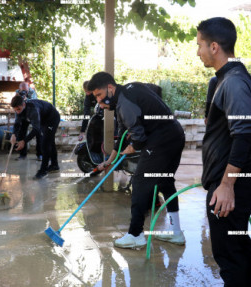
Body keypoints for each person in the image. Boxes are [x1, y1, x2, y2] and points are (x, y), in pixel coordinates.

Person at [87, 72, 186, 249]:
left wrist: (132, 147)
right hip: (175, 135)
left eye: (99, 96)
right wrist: (109, 160)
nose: (100, 103)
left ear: (110, 88)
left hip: (161, 141)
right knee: (165, 182)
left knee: (140, 182)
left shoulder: (124, 103)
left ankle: (135, 234)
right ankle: (176, 231)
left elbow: (138, 139)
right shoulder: (129, 91)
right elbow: (124, 134)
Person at [197, 17, 251, 286]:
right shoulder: (225, 79)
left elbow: (244, 133)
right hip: (226, 184)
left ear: (214, 46)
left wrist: (227, 185)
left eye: (200, 45)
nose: (198, 52)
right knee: (238, 249)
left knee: (230, 257)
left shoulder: (233, 82)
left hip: (229, 189)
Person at [10, 95, 61, 180]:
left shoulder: (33, 109)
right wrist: (13, 135)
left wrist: (24, 141)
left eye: (18, 109)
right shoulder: (18, 109)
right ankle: (54, 165)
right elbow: (17, 123)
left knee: (45, 143)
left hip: (52, 118)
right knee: (50, 142)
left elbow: (36, 129)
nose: (17, 112)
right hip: (43, 120)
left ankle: (43, 171)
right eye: (15, 110)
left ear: (23, 104)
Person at [14, 82, 42, 161]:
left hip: (33, 114)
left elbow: (34, 102)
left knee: (38, 132)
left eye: (26, 90)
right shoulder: (17, 93)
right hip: (23, 114)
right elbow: (16, 104)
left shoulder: (32, 91)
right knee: (21, 132)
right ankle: (22, 155)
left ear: (28, 88)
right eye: (23, 90)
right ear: (19, 89)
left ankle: (40, 154)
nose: (24, 92)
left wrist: (25, 99)